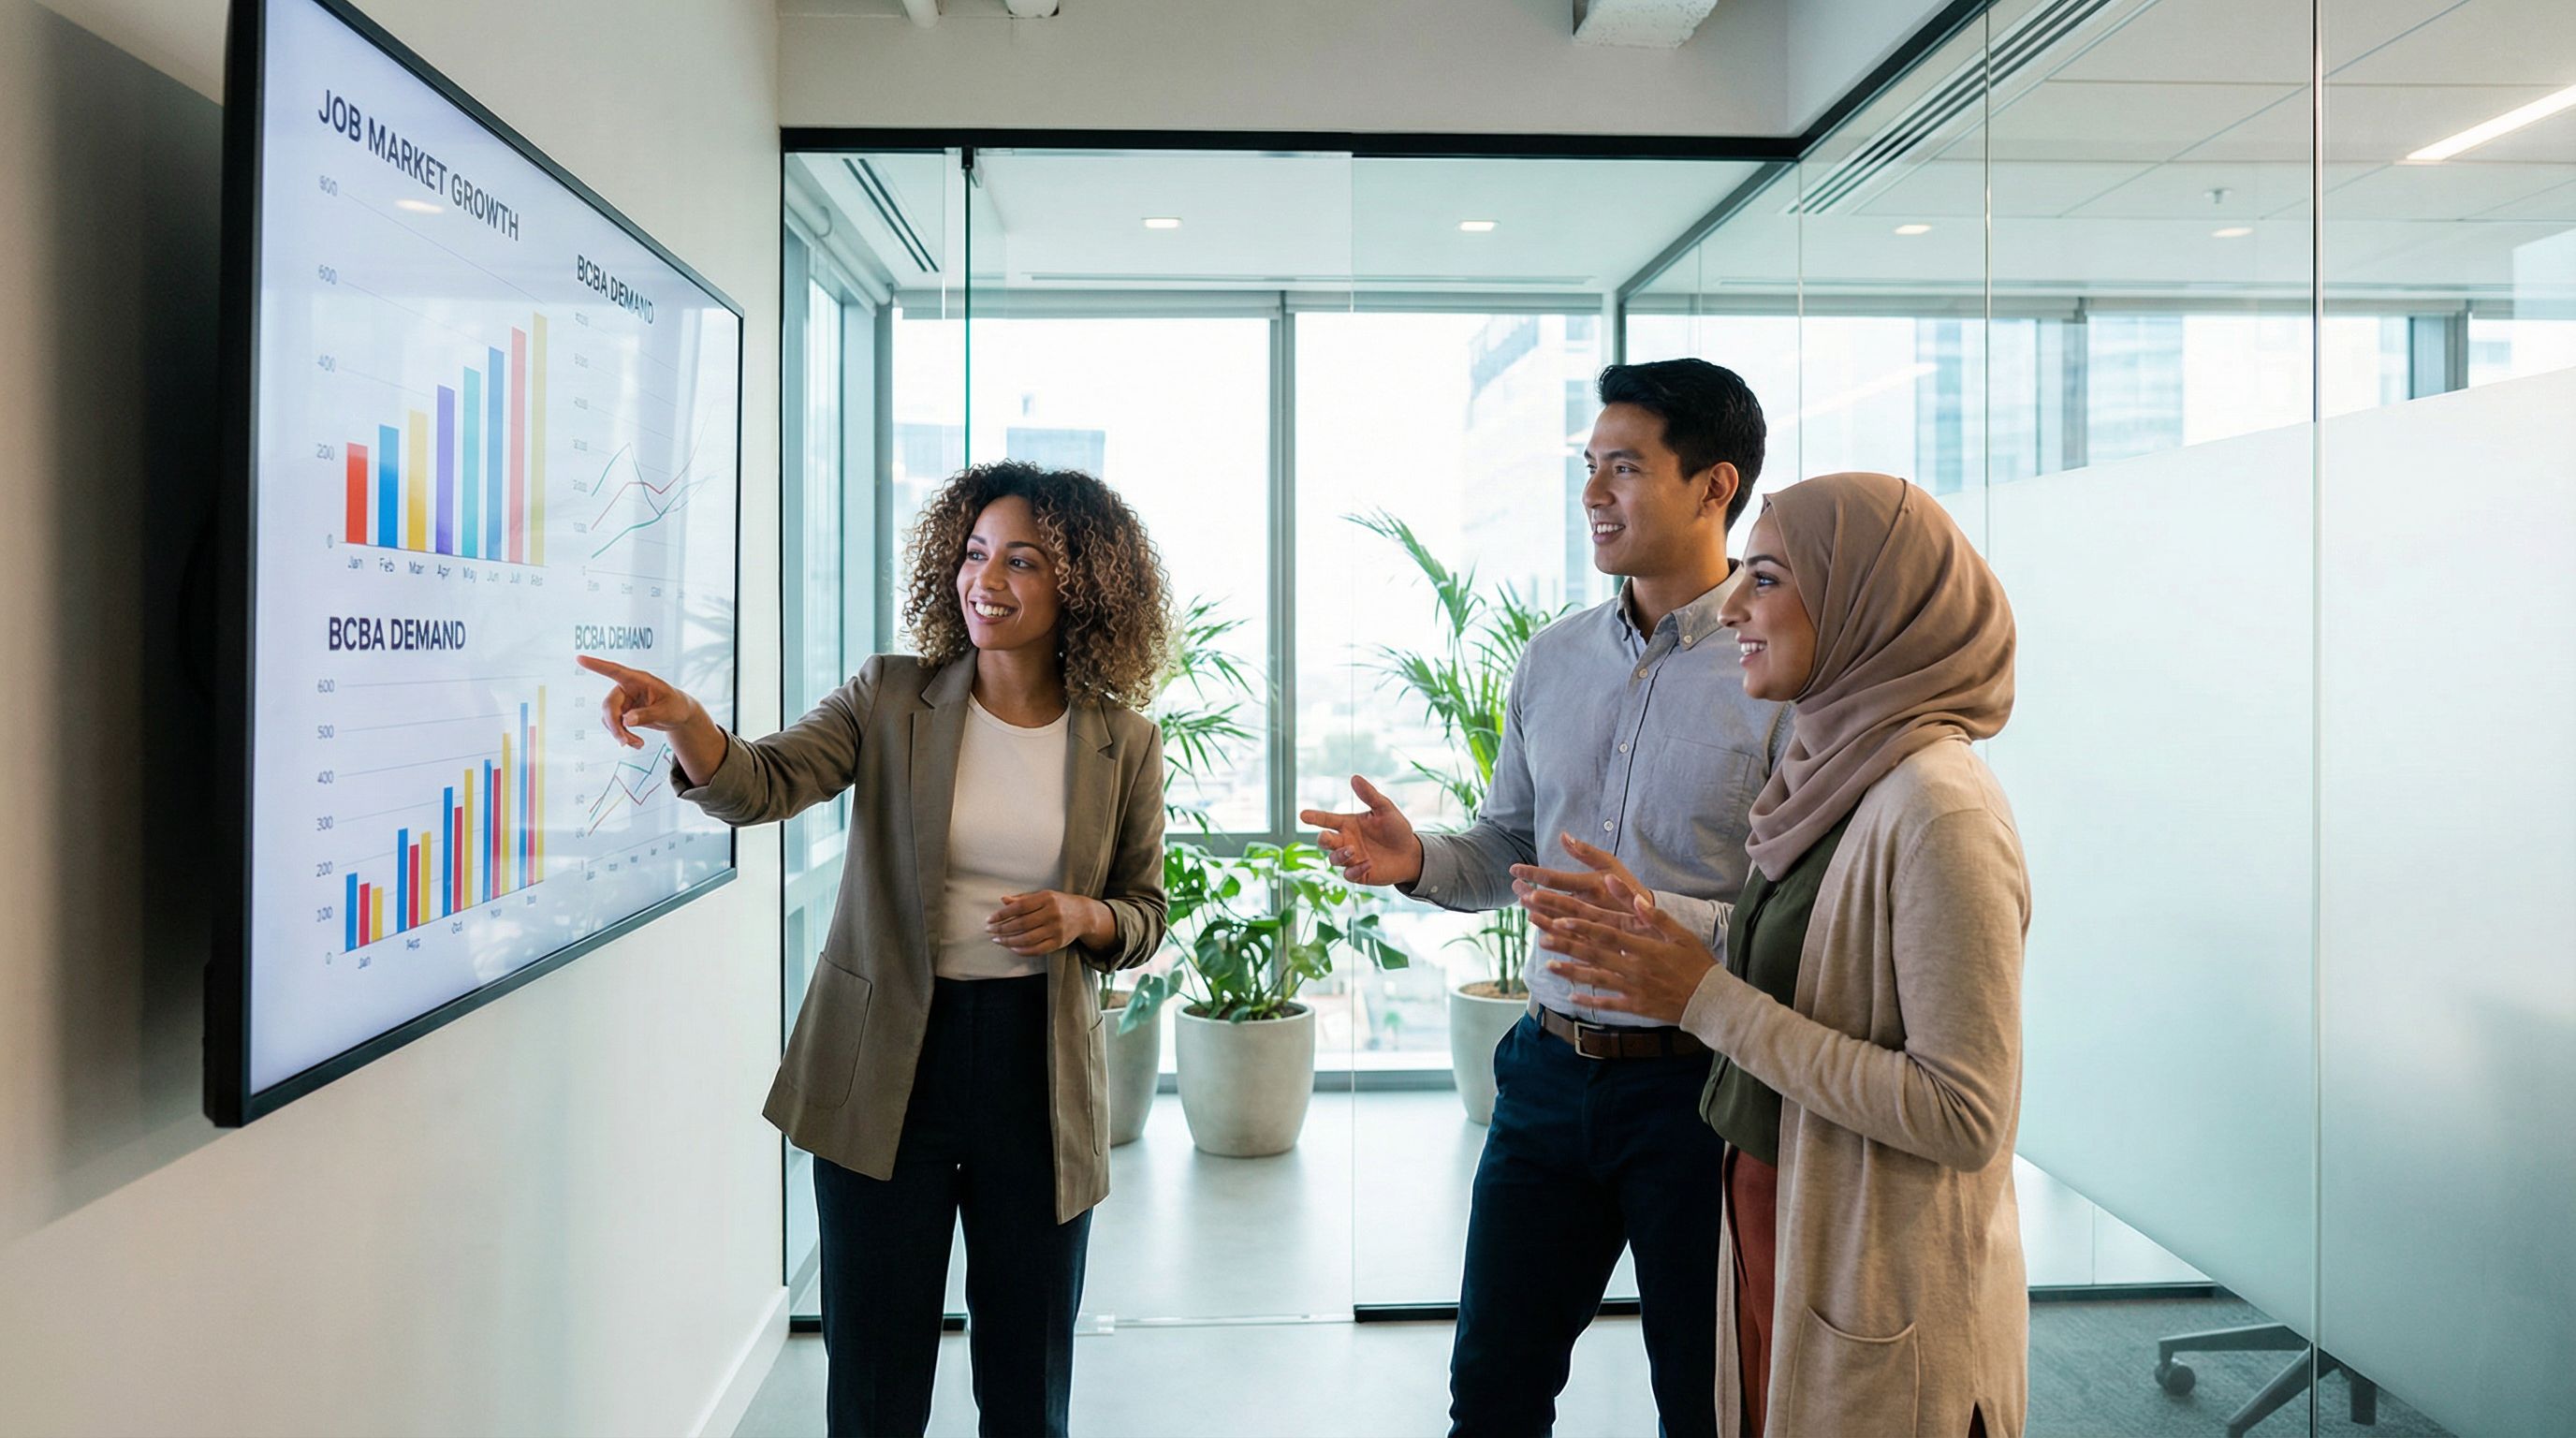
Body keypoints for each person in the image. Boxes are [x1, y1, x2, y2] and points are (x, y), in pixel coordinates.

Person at [578, 462, 1171, 1438]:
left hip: (1039, 1070)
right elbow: (765, 784)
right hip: (889, 1058)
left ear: (1080, 584)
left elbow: (1143, 907)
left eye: (1021, 560)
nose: (987, 578)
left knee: (1028, 1381)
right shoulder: (891, 696)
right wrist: (688, 726)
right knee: (874, 1376)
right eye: (975, 553)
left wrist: (1083, 918)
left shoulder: (1123, 741)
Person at [1302, 360, 1793, 1438]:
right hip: (1541, 1073)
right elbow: (1508, 846)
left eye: (1623, 468)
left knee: (1708, 1402)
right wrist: (1418, 859)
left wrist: (1664, 924)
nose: (1592, 495)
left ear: (1715, 486)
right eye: (1587, 468)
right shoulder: (1553, 658)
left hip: (1699, 1095)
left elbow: (1804, 918)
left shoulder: (1776, 670)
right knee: (1492, 1391)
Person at [1528, 469, 2028, 1437]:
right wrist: (1662, 934)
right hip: (1785, 1227)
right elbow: (1813, 964)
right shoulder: (1835, 777)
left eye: (1766, 579)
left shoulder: (1939, 809)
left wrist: (1703, 998)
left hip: (1869, 1266)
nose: (1738, 610)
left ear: (1862, 604)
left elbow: (1962, 1112)